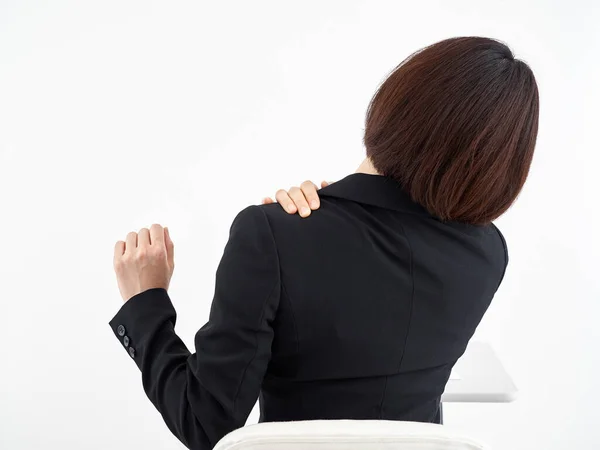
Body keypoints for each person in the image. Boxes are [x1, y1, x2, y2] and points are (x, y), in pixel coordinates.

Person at [109, 36, 539, 450]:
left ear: (395, 107)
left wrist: (145, 302)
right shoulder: (487, 255)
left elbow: (205, 424)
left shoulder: (270, 234)